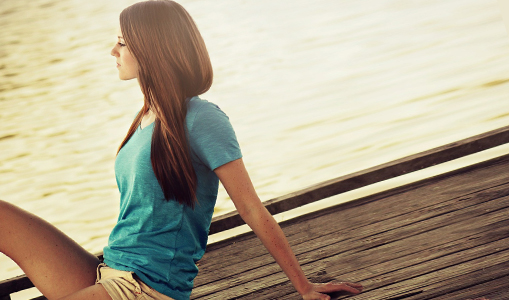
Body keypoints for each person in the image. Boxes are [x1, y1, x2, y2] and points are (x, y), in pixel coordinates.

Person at [0, 1, 363, 299]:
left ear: (151, 49)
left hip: (145, 289)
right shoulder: (146, 117)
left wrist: (304, 286)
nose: (113, 50)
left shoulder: (201, 119)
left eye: (122, 43)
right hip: (109, 271)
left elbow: (250, 206)